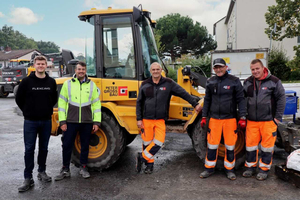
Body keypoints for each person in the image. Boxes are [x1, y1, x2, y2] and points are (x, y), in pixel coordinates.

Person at [136, 62, 202, 174]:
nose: (156, 71)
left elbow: (183, 93)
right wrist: (139, 119)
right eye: (153, 69)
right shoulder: (144, 84)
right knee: (147, 142)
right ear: (150, 71)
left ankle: (141, 157)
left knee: (158, 142)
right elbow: (139, 102)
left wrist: (195, 104)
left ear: (161, 70)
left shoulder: (168, 83)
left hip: (160, 119)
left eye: (157, 69)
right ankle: (149, 166)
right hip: (146, 119)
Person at [199, 58, 246, 180]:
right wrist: (204, 116)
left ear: (226, 67)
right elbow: (207, 100)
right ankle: (209, 169)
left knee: (230, 145)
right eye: (216, 67)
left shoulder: (234, 81)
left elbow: (241, 99)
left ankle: (229, 169)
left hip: (230, 119)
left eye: (221, 67)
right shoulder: (210, 81)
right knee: (212, 145)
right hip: (214, 119)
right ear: (214, 69)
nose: (218, 69)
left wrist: (242, 117)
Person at [16, 56, 57, 192]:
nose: (40, 66)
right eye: (38, 64)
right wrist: (27, 111)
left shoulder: (51, 82)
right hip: (30, 121)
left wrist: (45, 110)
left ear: (46, 65)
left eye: (42, 64)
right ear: (34, 65)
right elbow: (19, 99)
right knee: (29, 149)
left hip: (46, 120)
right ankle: (28, 178)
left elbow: (53, 99)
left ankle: (42, 171)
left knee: (44, 148)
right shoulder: (26, 82)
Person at [54, 61, 101, 180]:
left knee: (85, 145)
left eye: (83, 69)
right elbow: (62, 103)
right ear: (75, 70)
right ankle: (65, 169)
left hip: (86, 121)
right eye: (79, 69)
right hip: (70, 121)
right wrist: (62, 121)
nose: (81, 71)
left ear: (86, 71)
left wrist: (96, 122)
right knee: (67, 145)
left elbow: (96, 105)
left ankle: (83, 167)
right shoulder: (67, 84)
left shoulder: (92, 85)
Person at [243, 59, 285, 181]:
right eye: (252, 69)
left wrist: (277, 118)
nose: (255, 71)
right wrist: (244, 115)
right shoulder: (247, 82)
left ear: (263, 68)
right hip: (251, 121)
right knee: (250, 146)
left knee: (267, 147)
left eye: (257, 69)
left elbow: (281, 99)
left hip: (268, 121)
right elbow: (243, 99)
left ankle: (264, 169)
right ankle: (250, 167)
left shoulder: (274, 82)